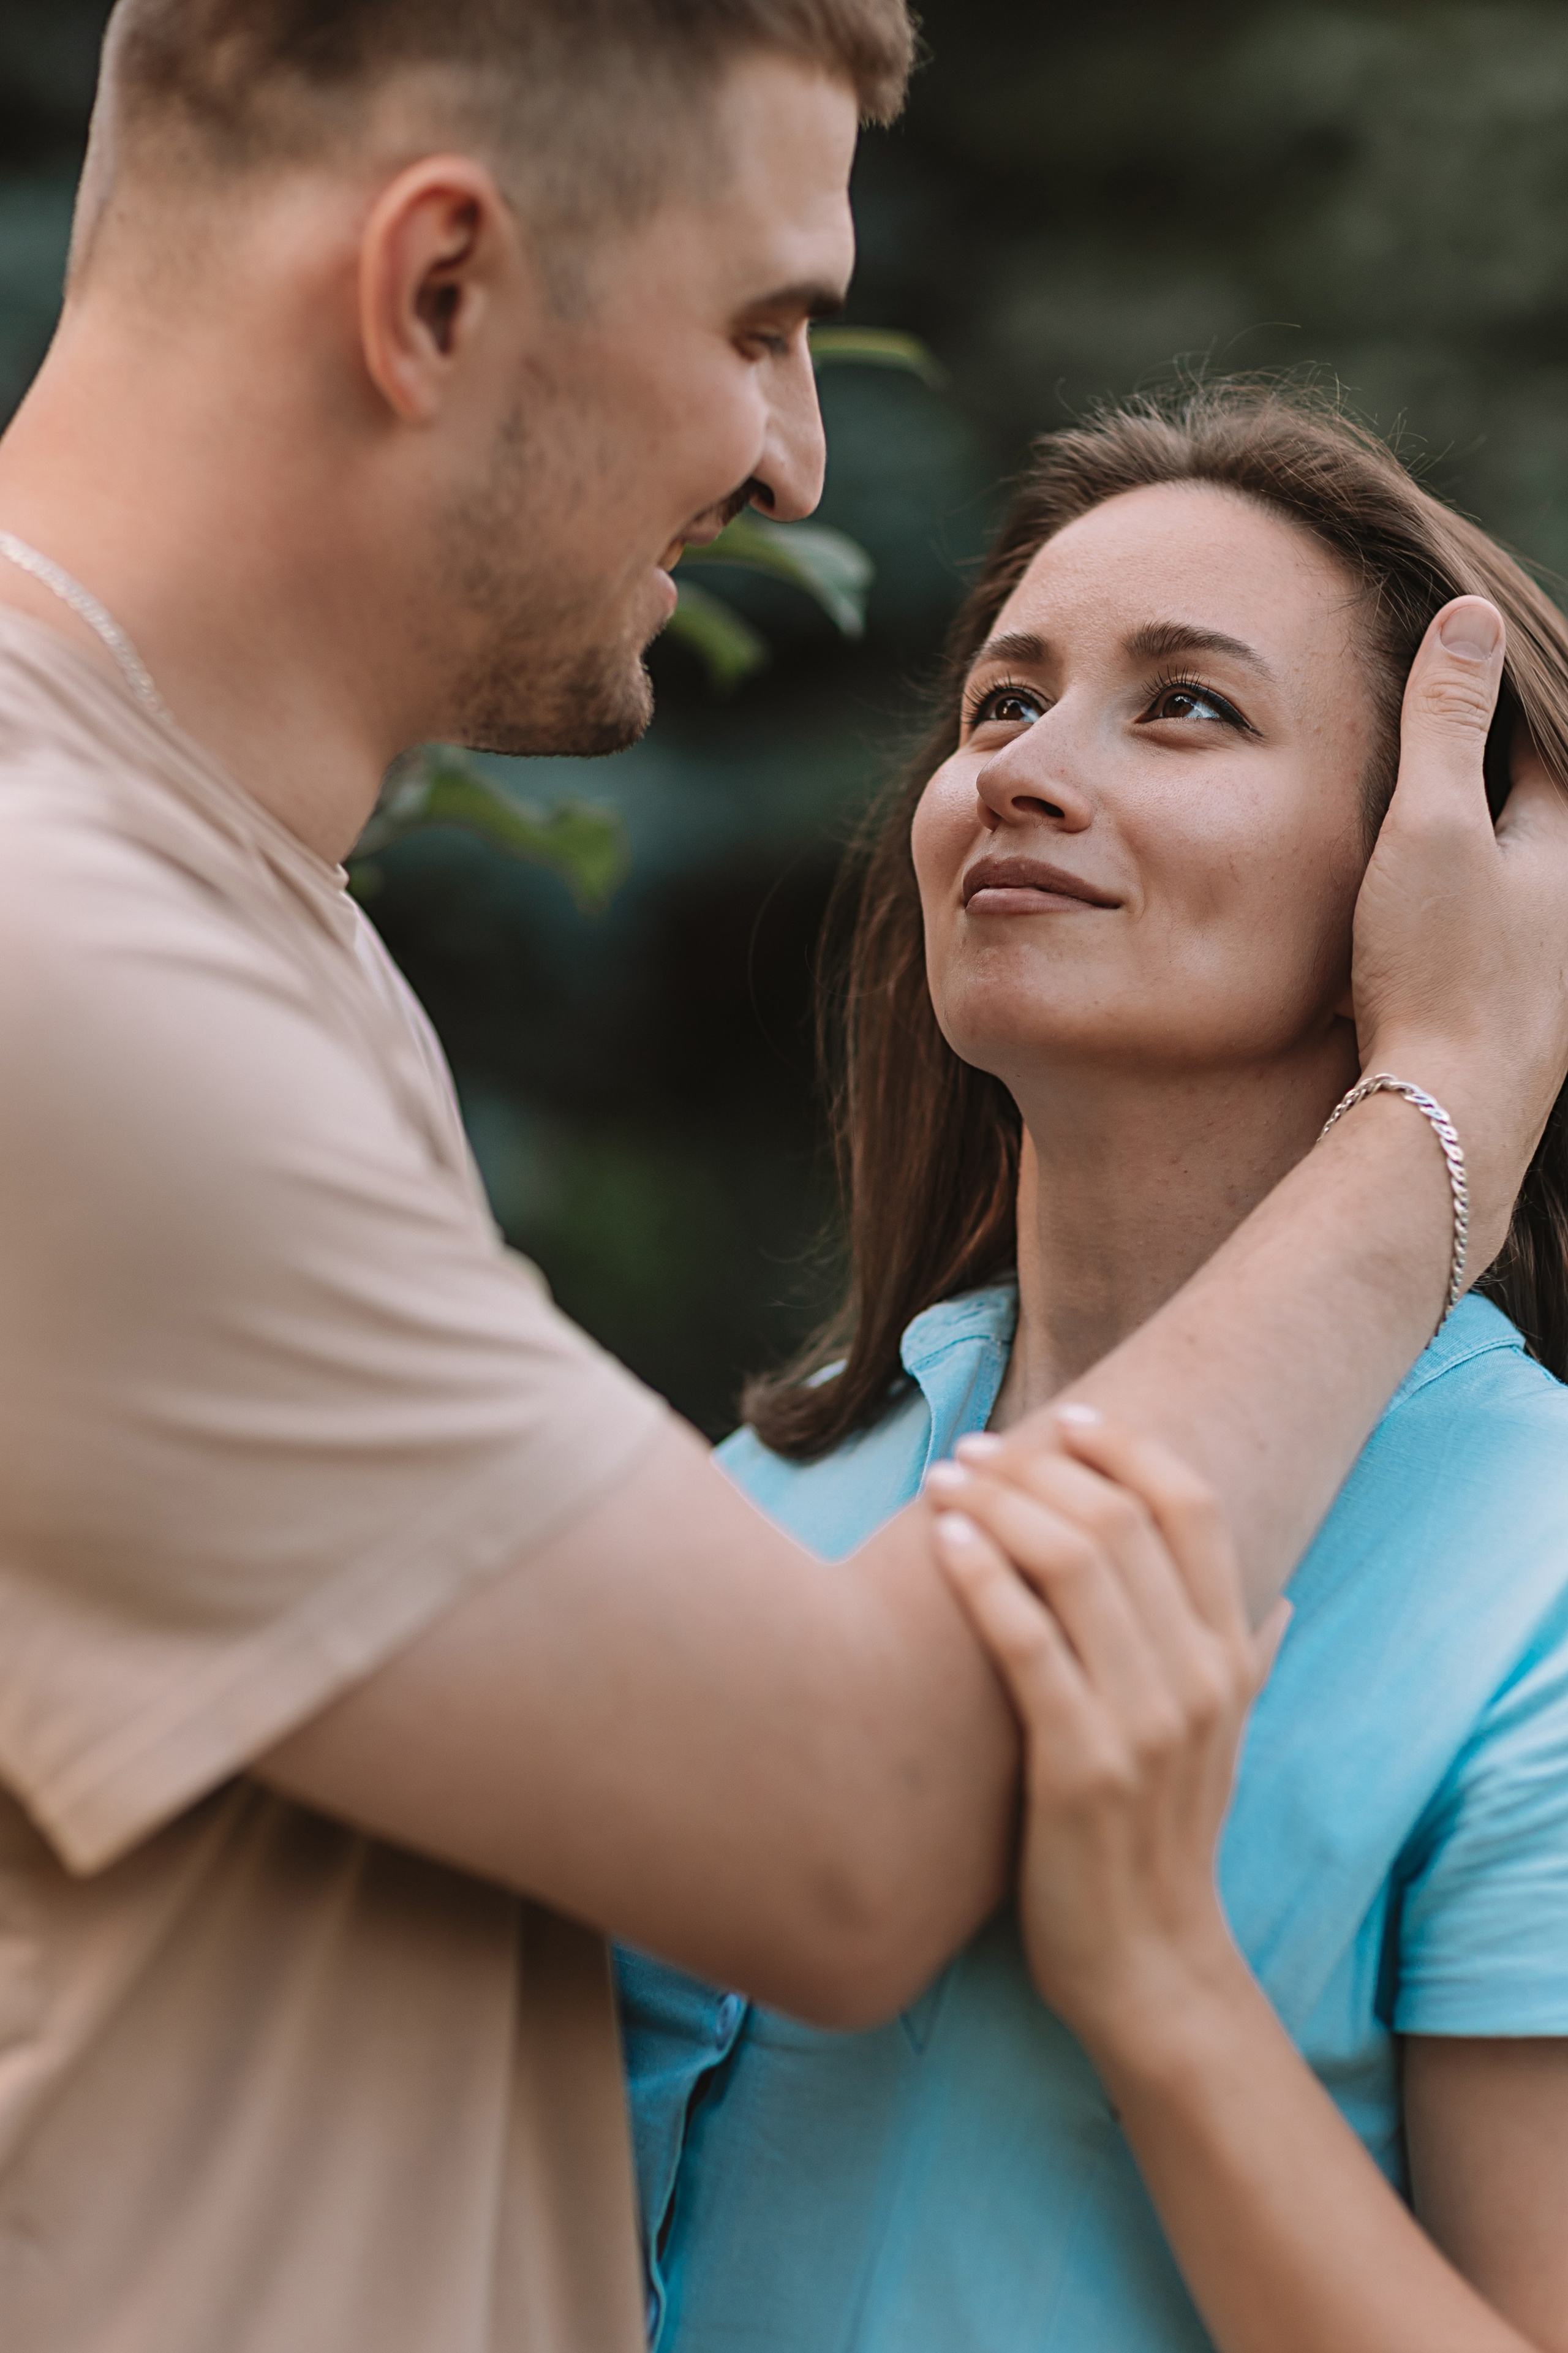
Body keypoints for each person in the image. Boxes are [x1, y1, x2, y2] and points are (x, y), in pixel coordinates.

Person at [0, 2, 1562, 2344]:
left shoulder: (271, 940)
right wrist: (1452, 1089)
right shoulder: (80, 967)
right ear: (436, 291)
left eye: (1195, 703)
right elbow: (852, 1822)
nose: (797, 463)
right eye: (763, 326)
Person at [616, 382, 1568, 2352]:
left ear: (1441, 871)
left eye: (1187, 704)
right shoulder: (760, 1492)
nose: (1027, 773)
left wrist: (1161, 1985)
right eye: (1002, 703)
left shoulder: (1538, 1583)